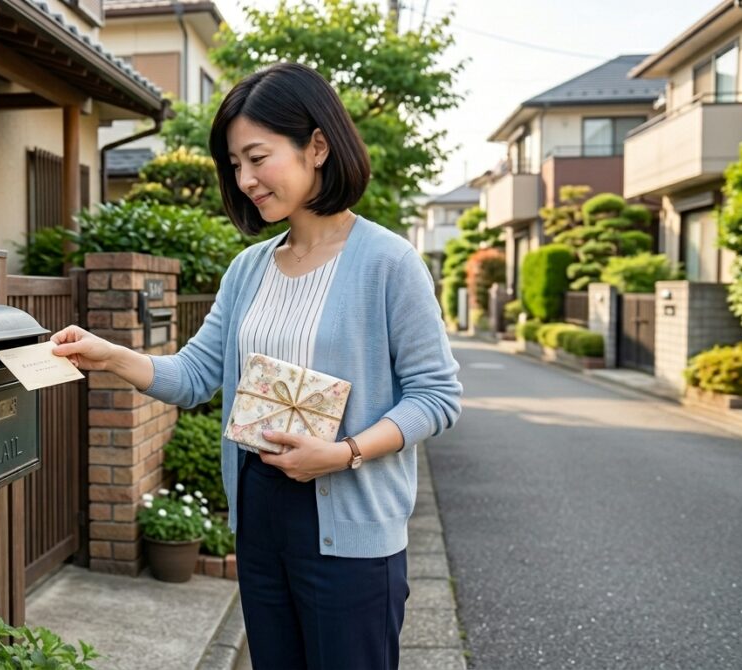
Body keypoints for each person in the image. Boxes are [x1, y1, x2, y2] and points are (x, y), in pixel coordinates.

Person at [50, 62, 461, 669]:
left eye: (256, 157)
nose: (244, 179)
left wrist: (343, 453)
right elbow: (194, 376)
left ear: (317, 145)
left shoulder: (388, 262)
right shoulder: (249, 270)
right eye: (234, 165)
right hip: (260, 512)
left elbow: (436, 396)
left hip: (348, 523)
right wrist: (110, 355)